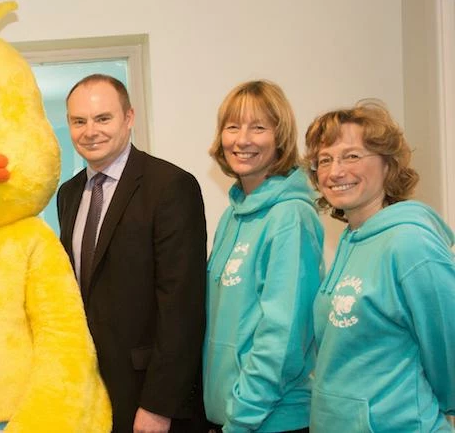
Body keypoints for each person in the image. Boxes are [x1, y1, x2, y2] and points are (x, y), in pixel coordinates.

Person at [56, 74, 207, 432]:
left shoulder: (170, 186)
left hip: (149, 397)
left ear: (129, 118)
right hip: (91, 392)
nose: (90, 131)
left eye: (103, 118)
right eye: (79, 121)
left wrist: (158, 405)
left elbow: (182, 306)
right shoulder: (69, 193)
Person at [303, 100, 454, 432]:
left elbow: (448, 347)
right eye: (324, 160)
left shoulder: (410, 243)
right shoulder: (350, 239)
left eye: (352, 156)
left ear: (389, 165)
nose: (335, 171)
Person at [203, 80, 322, 432]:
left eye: (258, 127)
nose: (242, 139)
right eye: (233, 126)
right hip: (231, 416)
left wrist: (240, 418)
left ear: (280, 137)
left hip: (272, 420)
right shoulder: (232, 215)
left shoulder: (291, 217)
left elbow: (282, 338)